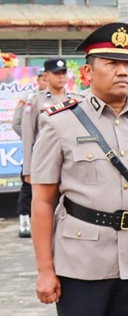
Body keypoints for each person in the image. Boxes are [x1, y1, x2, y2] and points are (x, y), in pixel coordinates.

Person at [30, 22, 128, 316]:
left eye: (127, 64)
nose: (123, 71)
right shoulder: (59, 123)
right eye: (111, 63)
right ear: (87, 73)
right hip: (81, 261)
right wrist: (45, 270)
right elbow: (43, 202)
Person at [21, 59, 83, 239]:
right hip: (46, 161)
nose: (61, 77)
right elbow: (27, 136)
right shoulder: (35, 101)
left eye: (64, 73)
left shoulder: (76, 99)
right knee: (46, 205)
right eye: (57, 73)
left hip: (71, 161)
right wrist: (28, 169)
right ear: (46, 76)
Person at [14, 67, 47, 238]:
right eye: (43, 78)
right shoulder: (28, 99)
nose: (46, 82)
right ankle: (24, 219)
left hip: (56, 153)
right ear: (39, 79)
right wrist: (32, 139)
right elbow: (17, 124)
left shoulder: (65, 97)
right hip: (35, 152)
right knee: (28, 187)